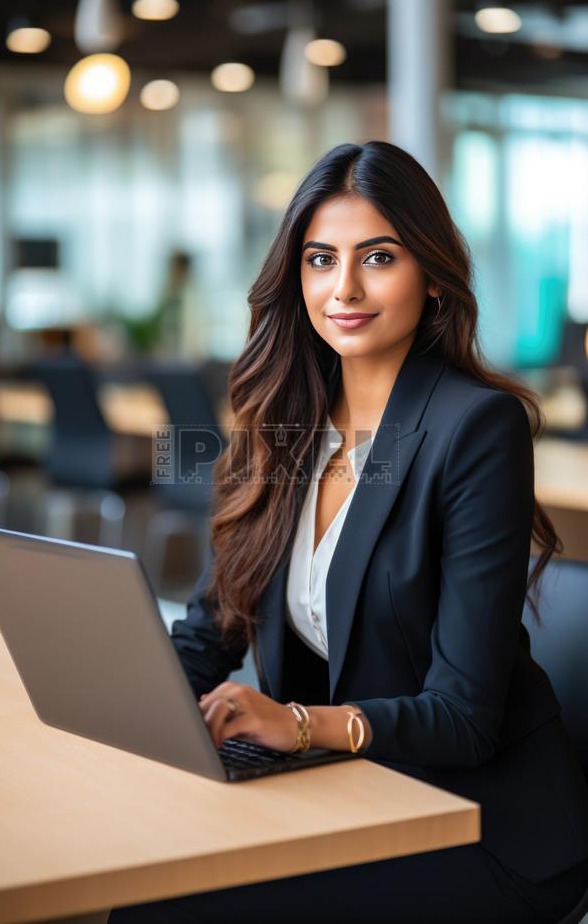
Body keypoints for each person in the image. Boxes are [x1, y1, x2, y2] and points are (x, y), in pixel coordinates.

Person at [109, 141, 588, 922]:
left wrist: (296, 725)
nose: (345, 288)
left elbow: (464, 714)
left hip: (476, 822)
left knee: (165, 899)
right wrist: (117, 702)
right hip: (347, 790)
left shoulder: (474, 429)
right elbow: (209, 635)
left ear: (432, 275)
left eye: (379, 257)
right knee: (125, 861)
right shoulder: (282, 424)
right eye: (321, 259)